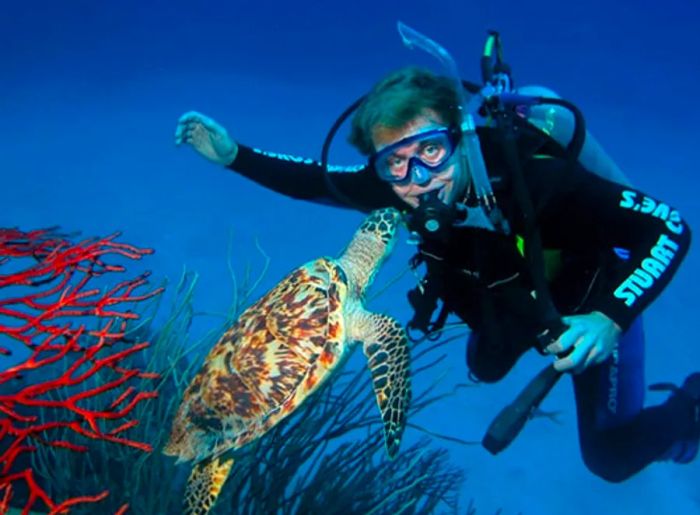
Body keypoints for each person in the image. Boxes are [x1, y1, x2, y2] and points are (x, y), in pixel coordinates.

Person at [174, 63, 696, 482]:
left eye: (431, 150)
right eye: (394, 163)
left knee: (609, 458)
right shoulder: (393, 186)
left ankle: (690, 410)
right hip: (512, 304)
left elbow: (670, 228)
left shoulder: (541, 182)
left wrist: (610, 318)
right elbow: (314, 180)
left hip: (591, 309)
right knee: (485, 365)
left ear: (460, 135)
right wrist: (232, 156)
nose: (418, 178)